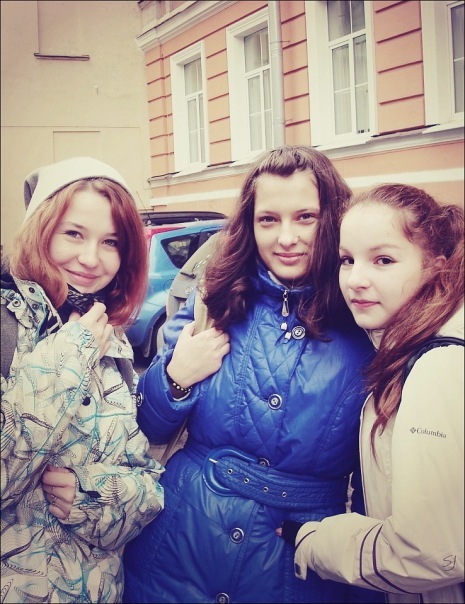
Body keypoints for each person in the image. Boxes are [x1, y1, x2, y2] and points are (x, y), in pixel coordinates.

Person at [123, 145, 381, 603]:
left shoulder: (367, 318)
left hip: (299, 563)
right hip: (178, 547)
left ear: (333, 218)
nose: (287, 238)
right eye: (268, 219)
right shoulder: (216, 296)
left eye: (305, 217)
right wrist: (175, 377)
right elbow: (148, 425)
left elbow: (376, 484)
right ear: (250, 223)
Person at [280, 184, 464, 603]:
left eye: (383, 260)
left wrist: (314, 541)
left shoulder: (436, 368)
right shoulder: (408, 347)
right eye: (347, 260)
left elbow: (429, 552)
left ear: (434, 267)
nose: (356, 280)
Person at [1, 157, 165, 603]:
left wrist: (93, 497)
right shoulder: (7, 328)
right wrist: (72, 354)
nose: (91, 259)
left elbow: (145, 482)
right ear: (40, 230)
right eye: (73, 233)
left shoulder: (107, 334)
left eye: (110, 242)